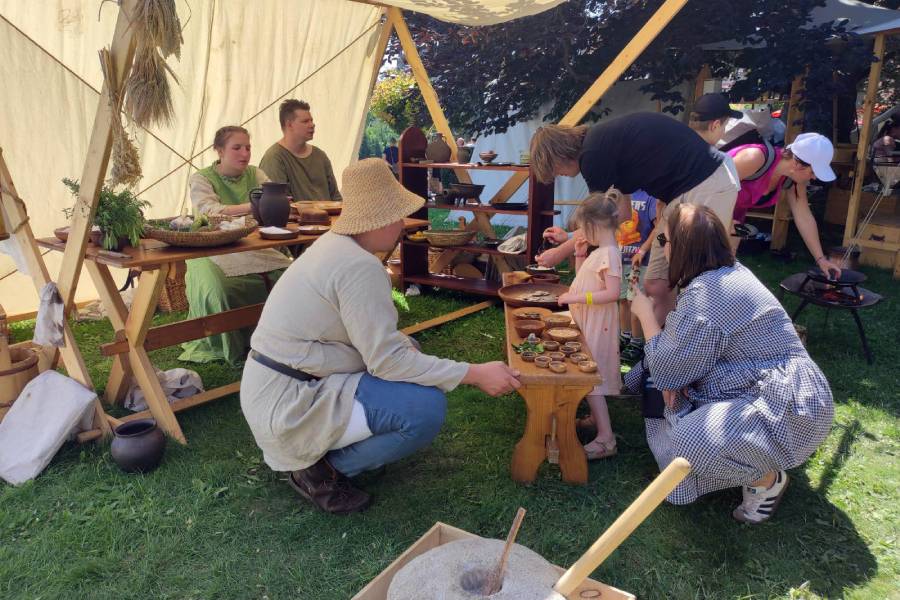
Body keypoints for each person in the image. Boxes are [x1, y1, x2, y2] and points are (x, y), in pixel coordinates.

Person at [240, 158, 520, 515]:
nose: (401, 225)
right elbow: (386, 362)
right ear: (379, 218)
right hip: (290, 404)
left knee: (411, 352)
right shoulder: (359, 266)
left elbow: (379, 345)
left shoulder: (333, 246)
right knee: (424, 409)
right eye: (397, 216)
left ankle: (331, 450)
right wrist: (475, 373)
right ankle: (322, 470)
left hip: (273, 391)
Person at [626, 204, 833, 523]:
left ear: (683, 248)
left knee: (688, 438)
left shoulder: (708, 294)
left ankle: (765, 479)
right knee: (667, 398)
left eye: (664, 241)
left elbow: (667, 368)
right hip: (780, 394)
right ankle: (735, 462)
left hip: (789, 410)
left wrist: (643, 313)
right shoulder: (723, 276)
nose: (662, 249)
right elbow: (681, 359)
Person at [530, 109, 740, 325]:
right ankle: (660, 343)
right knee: (657, 284)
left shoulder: (592, 155)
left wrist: (560, 252)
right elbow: (622, 215)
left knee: (700, 276)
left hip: (707, 181)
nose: (559, 175)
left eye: (553, 169)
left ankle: (706, 333)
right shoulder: (606, 146)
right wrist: (570, 237)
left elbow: (599, 220)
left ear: (559, 155)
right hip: (676, 196)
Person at [180, 126, 292, 366]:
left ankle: (280, 339)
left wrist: (274, 203)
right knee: (221, 288)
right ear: (219, 151)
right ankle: (235, 344)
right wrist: (255, 206)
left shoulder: (256, 174)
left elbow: (271, 195)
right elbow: (209, 211)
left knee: (290, 277)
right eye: (237, 148)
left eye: (248, 148)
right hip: (209, 248)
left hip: (251, 245)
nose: (245, 153)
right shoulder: (201, 178)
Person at [556, 189, 623, 460]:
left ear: (594, 225)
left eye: (583, 228)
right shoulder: (600, 252)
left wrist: (575, 298)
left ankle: (606, 439)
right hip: (589, 319)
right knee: (587, 372)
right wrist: (580, 256)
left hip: (598, 324)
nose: (581, 234)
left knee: (590, 376)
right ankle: (596, 419)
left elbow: (612, 293)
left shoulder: (610, 254)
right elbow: (586, 280)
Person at [728, 132, 842, 277]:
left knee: (723, 270)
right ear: (798, 164)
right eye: (813, 172)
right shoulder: (755, 158)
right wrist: (724, 221)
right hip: (707, 209)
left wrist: (821, 260)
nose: (814, 177)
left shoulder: (793, 179)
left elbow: (804, 217)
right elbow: (710, 187)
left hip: (733, 221)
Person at [259, 99, 342, 201]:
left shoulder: (320, 155)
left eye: (311, 120)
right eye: (305, 121)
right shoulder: (274, 158)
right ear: (289, 125)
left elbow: (336, 196)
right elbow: (278, 203)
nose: (312, 125)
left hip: (330, 212)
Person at [614, 190, 659, 362]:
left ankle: (637, 341)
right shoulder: (621, 193)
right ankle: (625, 336)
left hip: (640, 261)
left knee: (635, 301)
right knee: (622, 299)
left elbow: (658, 227)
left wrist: (643, 250)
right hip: (620, 257)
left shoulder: (650, 196)